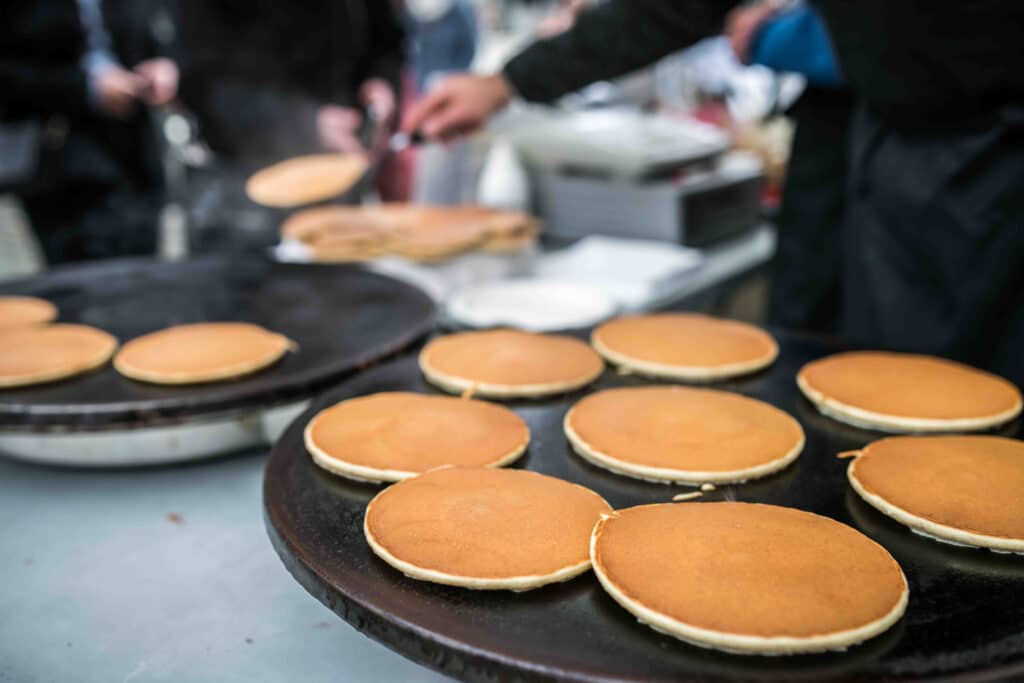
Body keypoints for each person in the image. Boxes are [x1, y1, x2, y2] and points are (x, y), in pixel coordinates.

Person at [404, 1, 1024, 385]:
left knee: (938, 389)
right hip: (865, 131)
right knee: (820, 361)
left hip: (977, 146)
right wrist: (511, 80)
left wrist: (830, 37)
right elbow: (674, 8)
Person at [0, 0, 178, 264]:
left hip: (134, 154)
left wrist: (165, 63)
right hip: (63, 166)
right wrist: (87, 89)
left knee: (143, 270)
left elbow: (160, 26)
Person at [176, 0, 405, 169]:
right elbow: (201, 82)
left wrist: (382, 83)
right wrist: (304, 124)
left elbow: (386, 40)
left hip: (347, 168)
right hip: (248, 184)